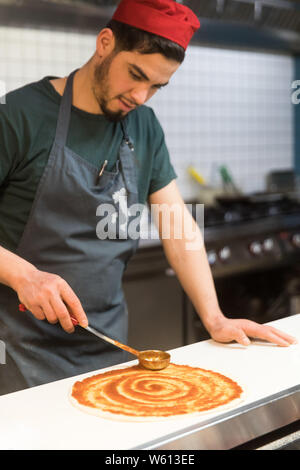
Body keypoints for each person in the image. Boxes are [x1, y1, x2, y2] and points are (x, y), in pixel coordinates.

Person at [0, 0, 296, 395]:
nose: (141, 96)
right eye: (136, 75)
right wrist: (25, 275)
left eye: (156, 86)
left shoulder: (144, 127)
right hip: (20, 356)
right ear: (105, 43)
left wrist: (215, 317)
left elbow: (179, 227)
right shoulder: (18, 115)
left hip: (109, 348)